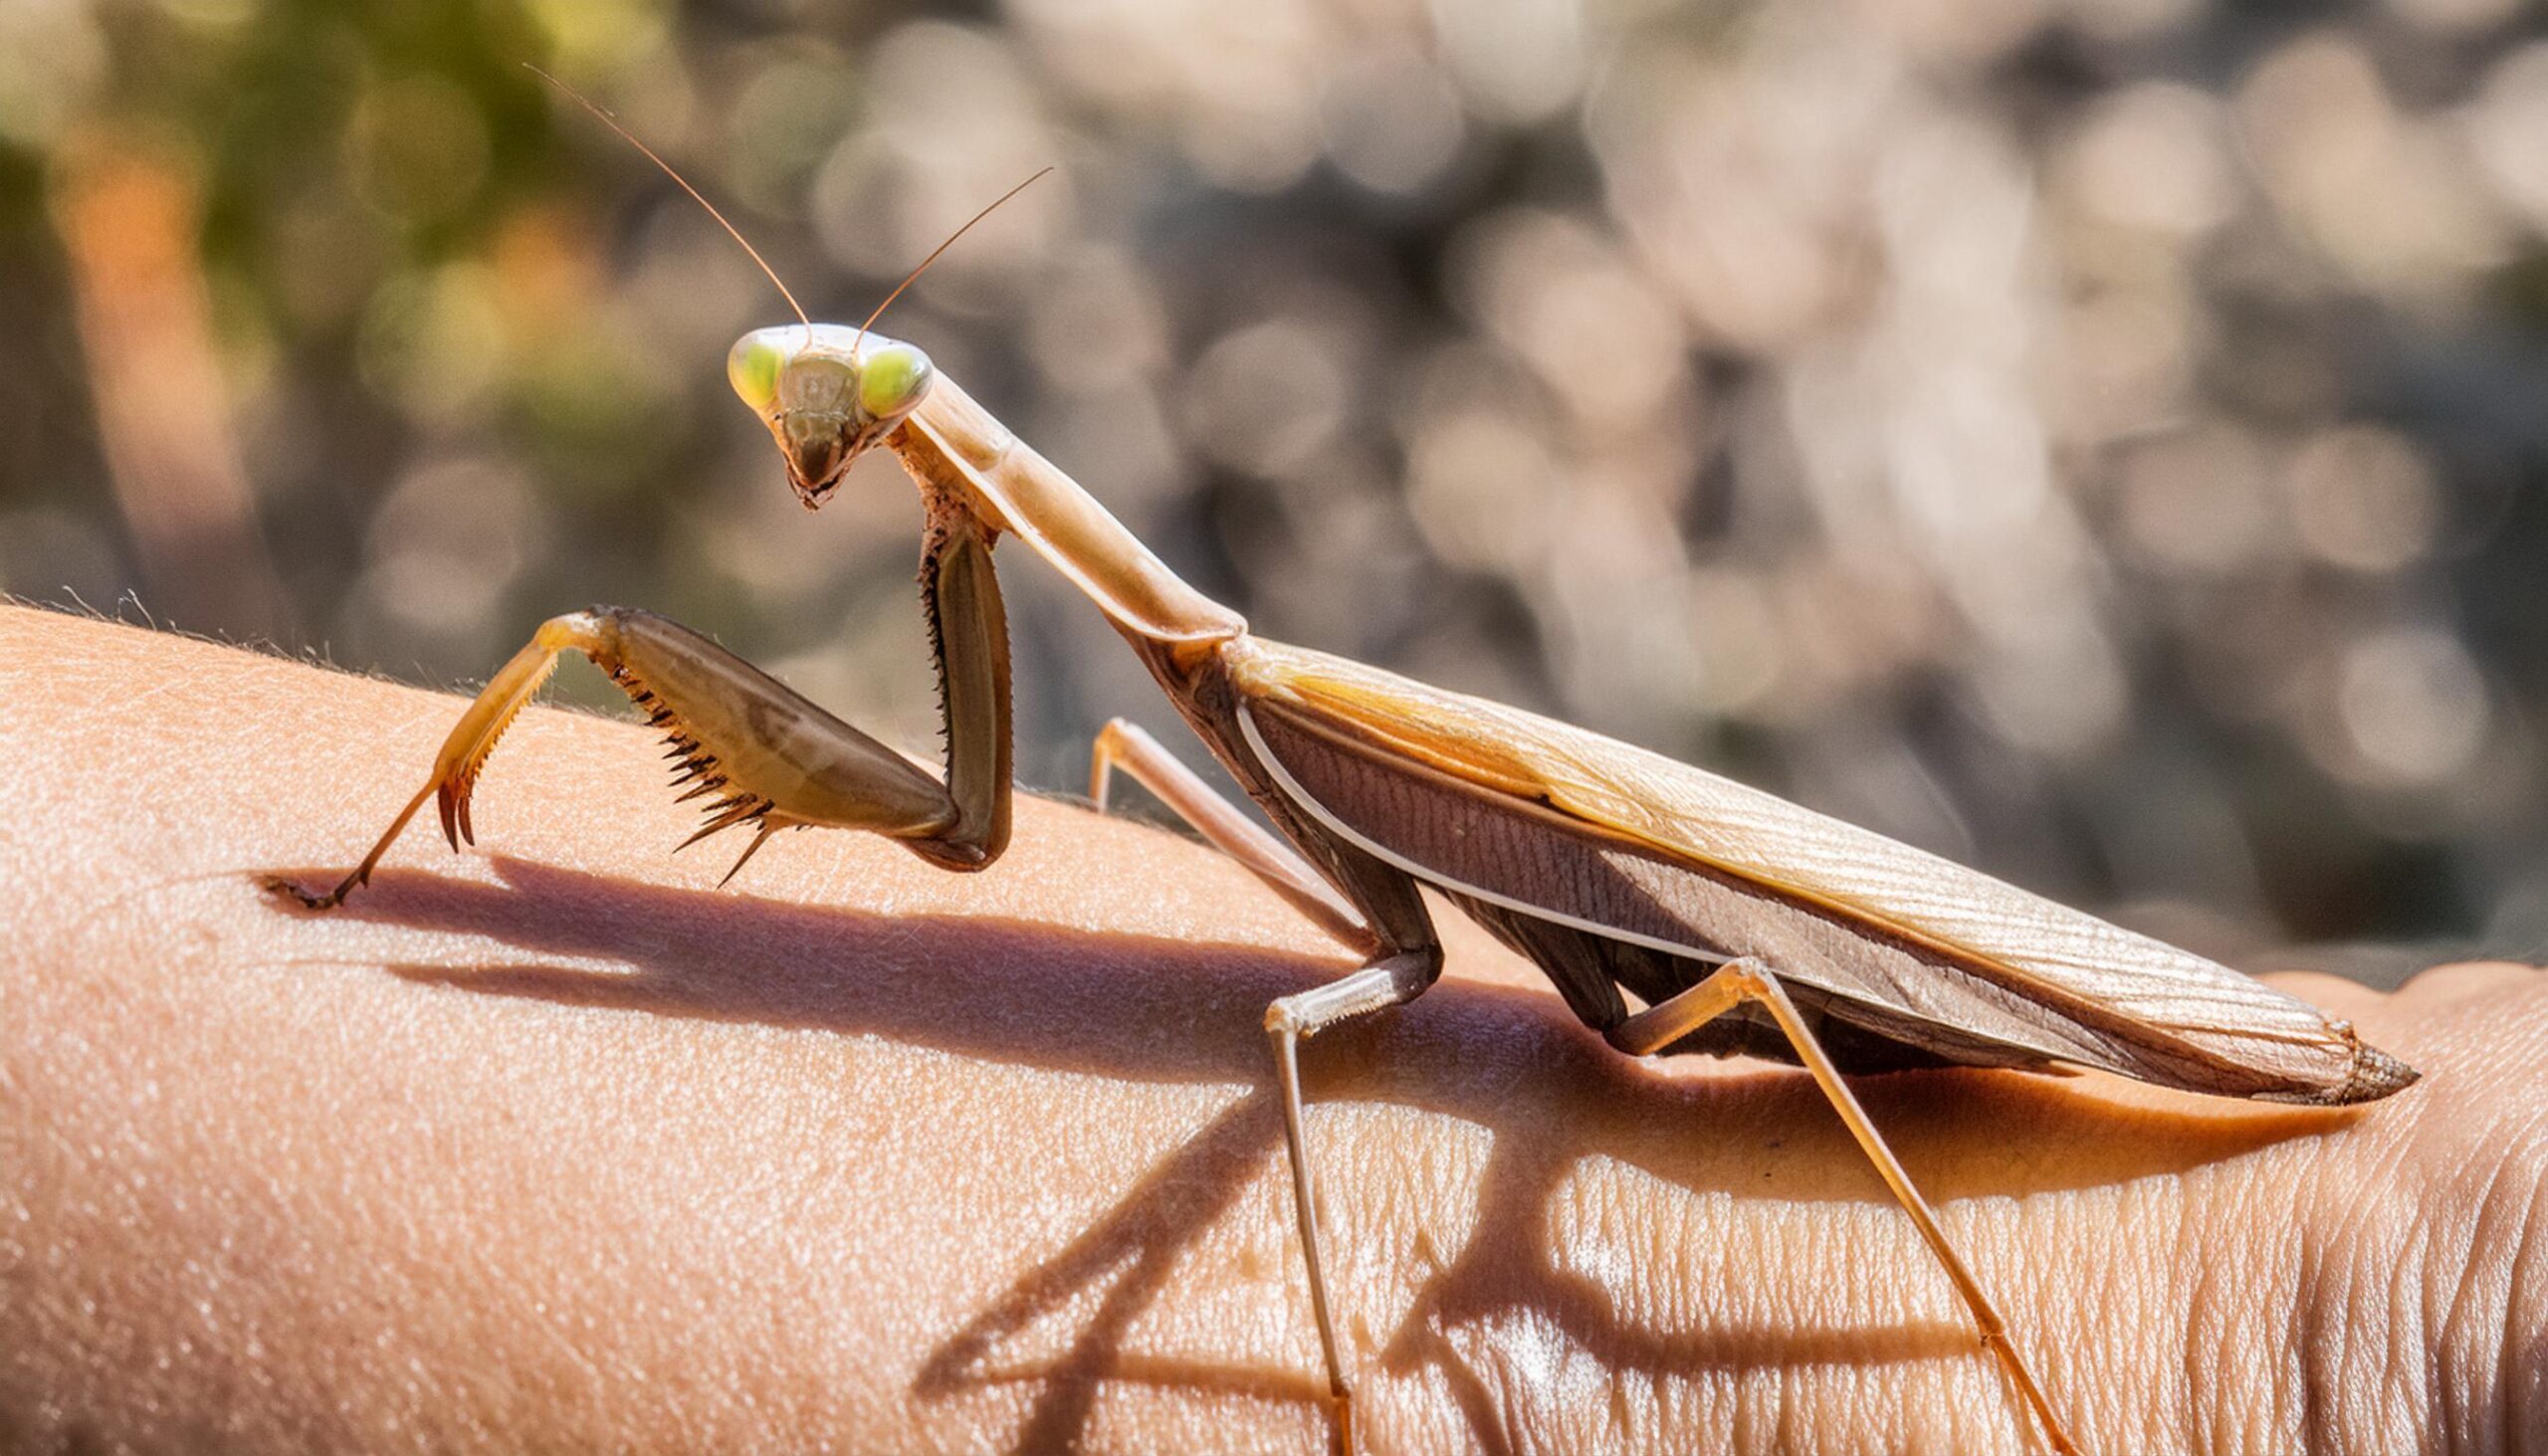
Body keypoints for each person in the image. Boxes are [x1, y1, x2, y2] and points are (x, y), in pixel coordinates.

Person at [3, 603, 2535, 1452]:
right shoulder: (1172, 683)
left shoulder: (1223, 669)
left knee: (1402, 1015)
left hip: (1842, 991)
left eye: (848, 419)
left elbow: (1424, 988)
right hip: (1722, 994)